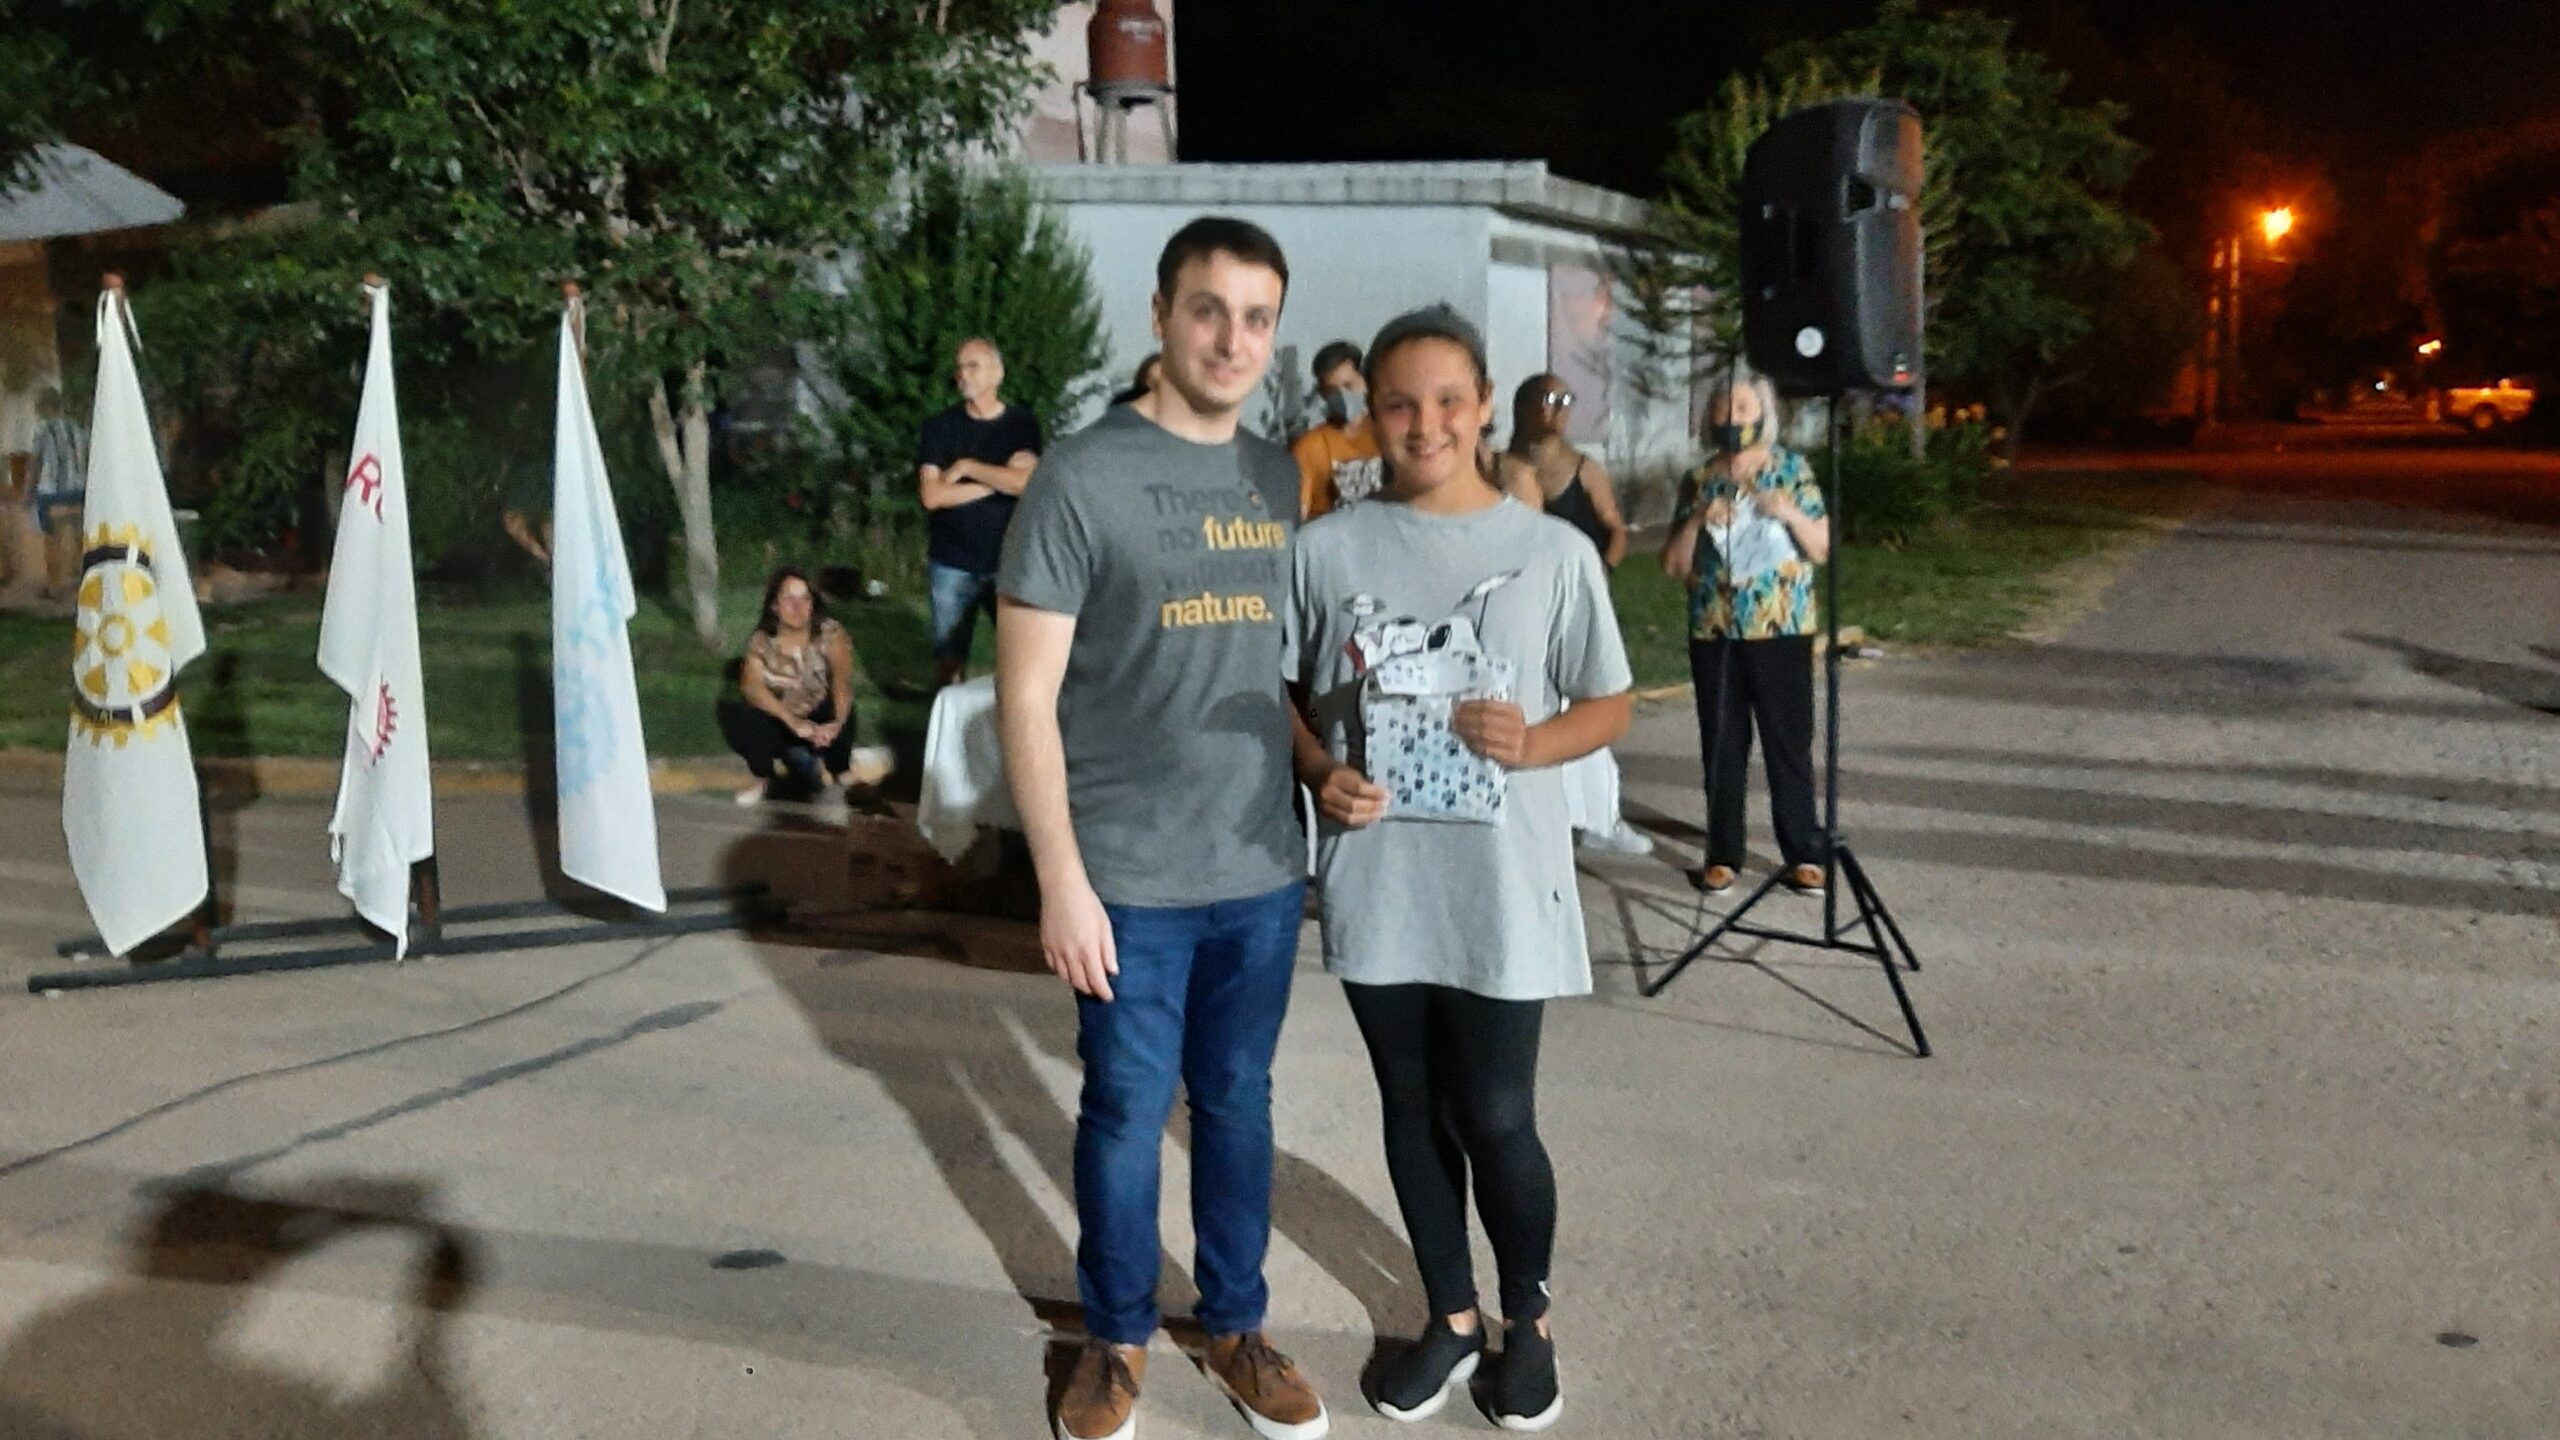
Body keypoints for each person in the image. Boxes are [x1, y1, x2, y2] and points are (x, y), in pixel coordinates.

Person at [998, 217, 1330, 1440]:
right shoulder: (1080, 477)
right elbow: (1024, 698)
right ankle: (1116, 1337)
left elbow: (1258, 667)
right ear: (1159, 316)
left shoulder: (1275, 477)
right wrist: (1061, 882)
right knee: (1127, 1115)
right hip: (1128, 877)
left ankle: (1236, 1327)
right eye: (1207, 309)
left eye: (1256, 318)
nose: (1231, 339)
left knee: (1238, 1105)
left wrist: (1317, 768)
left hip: (1257, 867)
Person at [1286, 306, 1631, 1431]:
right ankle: (1449, 1314)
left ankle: (1527, 1323)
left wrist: (1533, 743)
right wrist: (1317, 770)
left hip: (1500, 887)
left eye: (1447, 400)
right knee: (1408, 1104)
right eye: (1399, 403)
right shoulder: (1324, 551)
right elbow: (1276, 692)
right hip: (1378, 876)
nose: (1424, 423)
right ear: (1370, 414)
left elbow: (1610, 701)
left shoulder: (1551, 553)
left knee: (1494, 1111)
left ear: (1485, 405)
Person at [1661, 372, 1831, 896]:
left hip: (1781, 627)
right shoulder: (1699, 479)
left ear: (1763, 413)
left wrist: (1786, 511)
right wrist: (1697, 518)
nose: (1732, 418)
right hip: (1716, 629)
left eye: (1743, 407)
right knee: (1722, 744)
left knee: (1788, 743)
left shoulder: (1791, 470)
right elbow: (1673, 565)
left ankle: (1803, 850)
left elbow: (1820, 548)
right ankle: (1722, 853)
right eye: (1723, 408)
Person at [1505, 375, 1649, 857]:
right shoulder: (1504, 467)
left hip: (1576, 598)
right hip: (1525, 601)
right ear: (1523, 406)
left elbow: (1615, 529)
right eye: (1548, 399)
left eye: (1566, 400)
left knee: (1590, 707)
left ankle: (1603, 816)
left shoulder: (1584, 469)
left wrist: (1602, 570)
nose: (1558, 409)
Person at [919, 336, 1043, 687]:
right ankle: (948, 719)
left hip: (1008, 562)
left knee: (1022, 658)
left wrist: (967, 467)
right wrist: (994, 482)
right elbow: (932, 496)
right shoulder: (940, 428)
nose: (963, 374)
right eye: (960, 367)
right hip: (951, 562)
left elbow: (1024, 483)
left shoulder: (1020, 426)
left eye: (973, 366)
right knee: (949, 661)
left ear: (997, 373)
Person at [718, 566, 880, 807]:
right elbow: (752, 687)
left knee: (840, 706)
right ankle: (763, 778)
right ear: (775, 606)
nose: (798, 607)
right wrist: (793, 722)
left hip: (819, 715)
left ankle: (841, 771)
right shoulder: (762, 640)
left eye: (805, 599)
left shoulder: (831, 634)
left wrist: (835, 724)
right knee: (749, 712)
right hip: (783, 719)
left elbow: (842, 682)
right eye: (789, 599)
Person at [1291, 339, 1380, 520]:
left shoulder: (1390, 435)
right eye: (1332, 391)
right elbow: (1296, 517)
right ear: (1322, 394)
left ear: (1365, 381)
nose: (1342, 396)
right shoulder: (1310, 447)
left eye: (1348, 385)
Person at [30, 387, 88, 595]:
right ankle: (81, 578)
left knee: (52, 539)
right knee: (78, 535)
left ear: (45, 406)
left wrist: (29, 491)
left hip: (51, 492)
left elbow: (36, 462)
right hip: (78, 489)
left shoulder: (43, 429)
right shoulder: (78, 428)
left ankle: (53, 585)